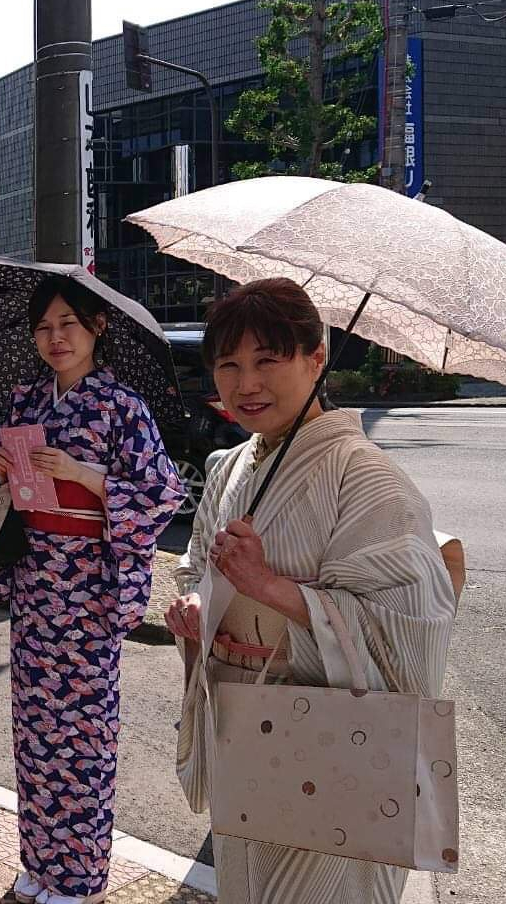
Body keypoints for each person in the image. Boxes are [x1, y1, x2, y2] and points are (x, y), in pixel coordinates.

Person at [167, 278, 456, 904]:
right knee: (247, 880)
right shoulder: (230, 467)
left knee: (329, 882)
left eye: (268, 361)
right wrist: (198, 607)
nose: (246, 384)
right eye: (229, 365)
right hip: (243, 721)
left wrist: (269, 587)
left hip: (330, 731)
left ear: (316, 358)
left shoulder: (368, 479)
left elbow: (412, 622)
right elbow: (198, 567)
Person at [0, 275, 184, 904]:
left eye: (68, 323)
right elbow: (14, 496)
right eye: (44, 326)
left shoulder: (123, 407)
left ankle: (82, 877)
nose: (55, 337)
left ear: (97, 327)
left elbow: (163, 495)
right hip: (36, 582)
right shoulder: (26, 402)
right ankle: (40, 862)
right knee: (34, 727)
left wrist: (85, 474)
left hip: (89, 588)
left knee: (83, 733)